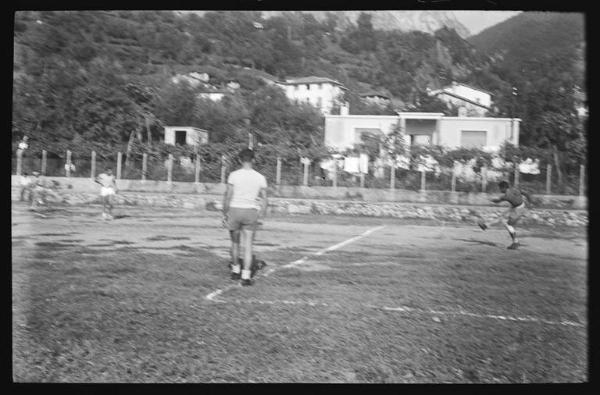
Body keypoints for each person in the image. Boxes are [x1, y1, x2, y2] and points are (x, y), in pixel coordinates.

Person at [222, 148, 268, 286]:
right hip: (250, 211)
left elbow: (228, 195)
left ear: (240, 160)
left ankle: (236, 271)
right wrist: (261, 214)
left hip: (235, 210)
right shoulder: (260, 177)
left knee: (235, 243)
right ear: (253, 160)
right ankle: (246, 276)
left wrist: (224, 213)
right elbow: (265, 198)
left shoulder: (233, 175)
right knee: (248, 246)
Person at [478, 180, 532, 250]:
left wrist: (491, 200)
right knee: (501, 217)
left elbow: (497, 201)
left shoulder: (506, 196)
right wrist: (530, 202)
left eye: (500, 188)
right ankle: (485, 226)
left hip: (518, 209)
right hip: (515, 206)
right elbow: (526, 193)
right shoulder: (515, 189)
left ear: (503, 188)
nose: (500, 190)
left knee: (508, 224)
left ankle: (515, 242)